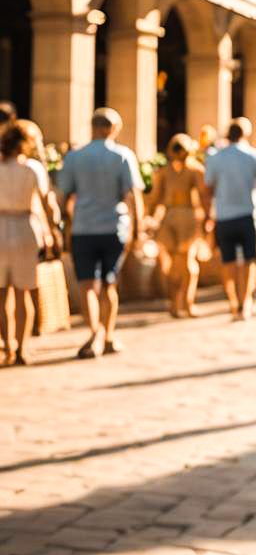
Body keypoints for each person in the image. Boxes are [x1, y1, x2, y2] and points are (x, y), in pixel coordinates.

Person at [57, 107, 144, 358]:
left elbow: (63, 196)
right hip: (114, 227)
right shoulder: (122, 155)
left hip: (83, 227)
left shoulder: (75, 157)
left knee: (86, 284)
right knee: (109, 284)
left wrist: (60, 226)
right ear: (114, 128)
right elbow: (132, 195)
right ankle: (108, 335)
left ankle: (94, 331)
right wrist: (137, 228)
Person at [204, 117, 256, 320]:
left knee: (228, 262)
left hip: (224, 217)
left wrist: (206, 217)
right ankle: (245, 302)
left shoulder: (215, 157)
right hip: (248, 216)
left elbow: (207, 190)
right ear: (245, 134)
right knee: (249, 261)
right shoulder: (255, 156)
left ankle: (233, 302)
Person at [0, 123, 55, 365]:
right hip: (25, 227)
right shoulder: (33, 168)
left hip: (1, 226)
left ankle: (8, 347)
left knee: (1, 295)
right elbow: (47, 204)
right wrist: (53, 232)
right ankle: (22, 348)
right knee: (24, 292)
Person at [149, 134, 210, 318]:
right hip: (180, 218)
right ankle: (181, 304)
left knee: (181, 263)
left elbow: (155, 199)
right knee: (182, 264)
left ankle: (182, 304)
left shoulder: (190, 171)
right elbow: (203, 195)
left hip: (179, 217)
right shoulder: (176, 172)